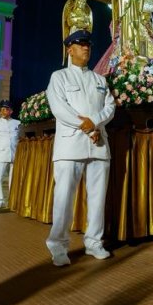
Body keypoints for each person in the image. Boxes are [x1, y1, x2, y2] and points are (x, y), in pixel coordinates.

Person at [45, 29, 116, 266]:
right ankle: (58, 245)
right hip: (70, 145)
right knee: (64, 197)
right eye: (80, 44)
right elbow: (59, 108)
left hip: (98, 144)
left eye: (88, 45)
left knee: (97, 198)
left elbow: (109, 107)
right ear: (70, 49)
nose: (86, 48)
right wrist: (85, 126)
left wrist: (94, 123)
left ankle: (94, 242)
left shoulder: (100, 80)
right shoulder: (59, 77)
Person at [0, 100, 21, 208]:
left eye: (6, 109)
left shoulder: (18, 123)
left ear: (11, 111)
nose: (3, 111)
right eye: (2, 109)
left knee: (14, 180)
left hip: (14, 155)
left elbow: (20, 139)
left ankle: (13, 200)